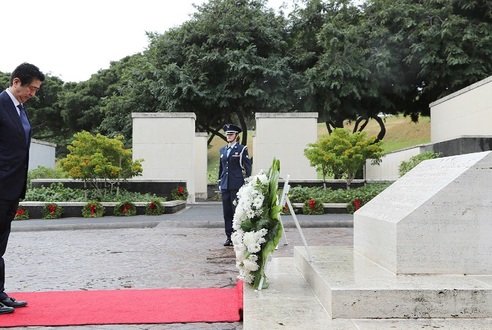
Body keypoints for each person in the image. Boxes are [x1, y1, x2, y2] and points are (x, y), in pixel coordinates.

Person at [0, 63, 45, 314]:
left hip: (12, 187)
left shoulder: (20, 109)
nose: (33, 94)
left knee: (0, 244)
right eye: (31, 88)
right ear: (16, 82)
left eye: (36, 90)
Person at [218, 124, 252, 246]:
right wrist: (219, 181)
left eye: (231, 134)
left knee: (236, 212)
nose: (229, 136)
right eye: (227, 134)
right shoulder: (223, 150)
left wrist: (247, 182)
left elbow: (248, 167)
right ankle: (229, 237)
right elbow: (221, 168)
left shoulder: (242, 149)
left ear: (236, 136)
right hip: (225, 184)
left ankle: (237, 235)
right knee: (226, 212)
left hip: (237, 185)